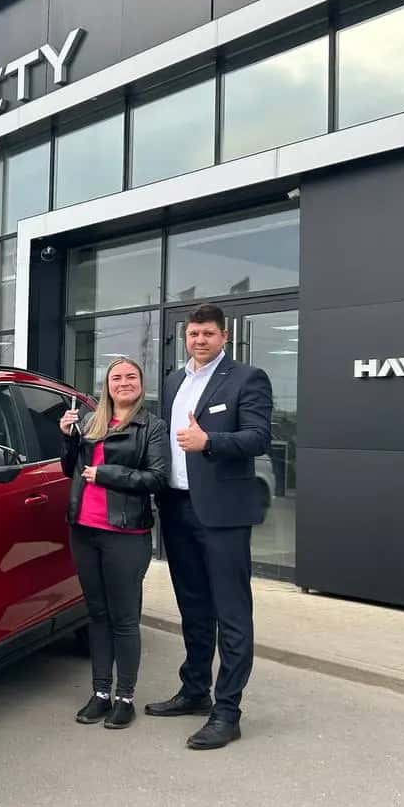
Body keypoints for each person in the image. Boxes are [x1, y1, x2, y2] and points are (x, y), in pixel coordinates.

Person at [145, 303, 273, 750]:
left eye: (208, 334)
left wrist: (209, 441)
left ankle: (228, 711)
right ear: (186, 337)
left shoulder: (247, 379)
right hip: (177, 508)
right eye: (193, 334)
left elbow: (259, 437)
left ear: (224, 337)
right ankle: (195, 690)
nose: (199, 340)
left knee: (231, 613)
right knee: (193, 607)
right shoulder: (174, 381)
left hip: (222, 515)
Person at [60, 357, 169, 730]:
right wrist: (67, 436)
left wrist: (106, 474)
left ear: (141, 383)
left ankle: (125, 698)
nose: (124, 383)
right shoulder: (91, 421)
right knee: (97, 615)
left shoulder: (151, 426)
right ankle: (100, 693)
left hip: (125, 533)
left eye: (131, 377)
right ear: (106, 386)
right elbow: (70, 469)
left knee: (124, 618)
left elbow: (157, 477)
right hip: (84, 530)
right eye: (116, 378)